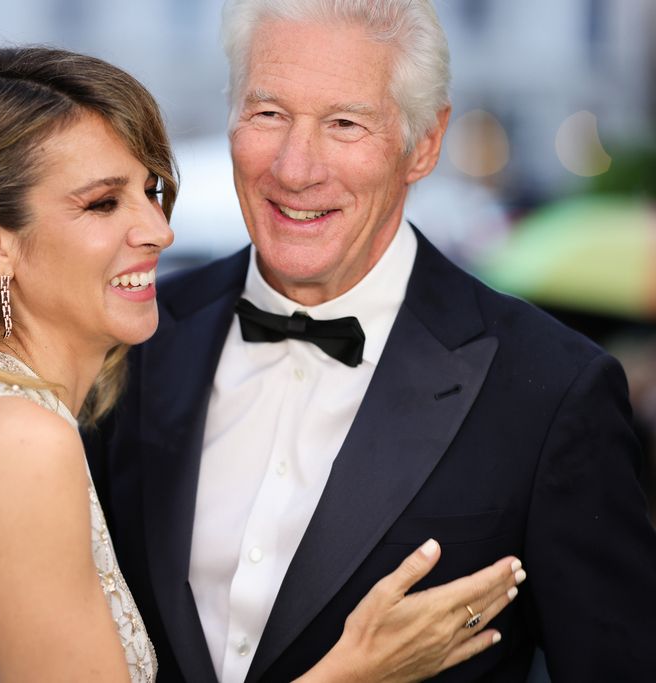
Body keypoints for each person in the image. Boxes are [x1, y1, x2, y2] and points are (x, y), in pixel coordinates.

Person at [0, 45, 523, 683]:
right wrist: (356, 671)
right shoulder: (20, 441)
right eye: (101, 203)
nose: (157, 229)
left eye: (150, 191)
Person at [83, 1, 656, 682]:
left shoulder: (551, 388)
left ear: (425, 144)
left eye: (344, 123)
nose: (295, 168)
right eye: (268, 114)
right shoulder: (128, 336)